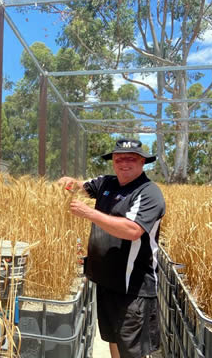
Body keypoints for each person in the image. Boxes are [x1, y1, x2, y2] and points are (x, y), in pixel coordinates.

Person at [58, 138, 166, 358]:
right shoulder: (106, 183)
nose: (124, 163)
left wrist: (89, 213)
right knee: (113, 339)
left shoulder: (149, 193)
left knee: (132, 349)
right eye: (119, 159)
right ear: (113, 161)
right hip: (106, 281)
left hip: (133, 288)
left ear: (143, 162)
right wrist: (69, 183)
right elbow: (81, 187)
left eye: (131, 159)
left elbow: (132, 230)